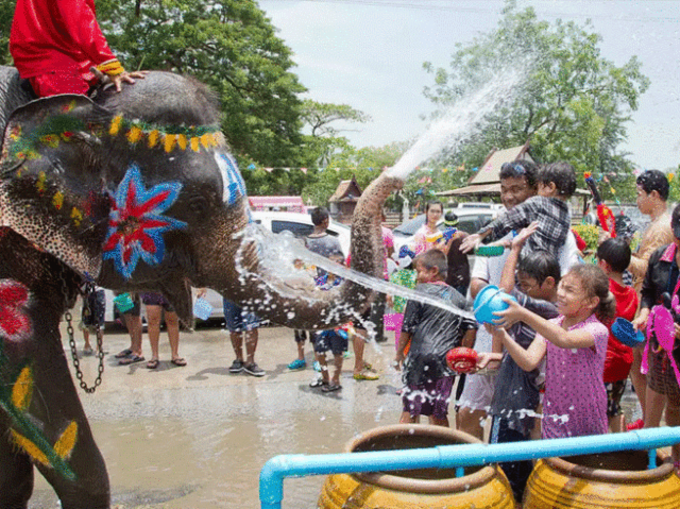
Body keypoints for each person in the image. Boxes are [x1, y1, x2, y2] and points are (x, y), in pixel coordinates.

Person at [476, 224, 560, 503]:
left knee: (501, 470)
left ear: (548, 283)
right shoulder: (545, 313)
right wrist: (499, 355)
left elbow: (503, 293)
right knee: (522, 469)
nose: (521, 291)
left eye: (527, 286)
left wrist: (515, 248)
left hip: (513, 404)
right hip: (523, 401)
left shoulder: (546, 310)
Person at [492, 264, 615, 439]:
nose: (561, 294)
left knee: (584, 463)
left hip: (587, 419)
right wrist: (502, 335)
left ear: (592, 302)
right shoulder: (552, 325)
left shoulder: (596, 330)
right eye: (562, 286)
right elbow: (528, 362)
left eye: (570, 290)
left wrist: (522, 314)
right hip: (555, 418)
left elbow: (564, 339)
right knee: (552, 464)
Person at [395, 250, 476, 427]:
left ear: (434, 271)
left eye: (419, 271)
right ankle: (445, 451)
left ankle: (404, 452)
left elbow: (407, 327)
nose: (416, 277)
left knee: (410, 411)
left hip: (419, 359)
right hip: (445, 363)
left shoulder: (419, 291)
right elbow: (471, 327)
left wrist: (399, 353)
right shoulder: (460, 298)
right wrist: (462, 355)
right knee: (438, 412)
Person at [9, 0, 146, 97]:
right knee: (71, 128)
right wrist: (111, 66)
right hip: (51, 58)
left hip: (65, 51)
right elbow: (79, 19)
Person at [631, 203, 680, 467]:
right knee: (655, 409)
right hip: (661, 347)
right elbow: (648, 292)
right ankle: (648, 468)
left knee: (677, 409)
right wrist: (643, 313)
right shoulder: (661, 258)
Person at [625, 170, 674, 430]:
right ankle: (649, 421)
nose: (637, 200)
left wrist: (620, 254)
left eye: (640, 195)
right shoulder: (660, 224)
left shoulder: (661, 227)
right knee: (640, 364)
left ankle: (651, 425)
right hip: (646, 305)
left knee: (646, 366)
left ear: (654, 195)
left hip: (654, 310)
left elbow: (647, 269)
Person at [461, 162, 577, 259]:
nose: (508, 197)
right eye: (504, 190)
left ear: (535, 189)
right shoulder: (564, 215)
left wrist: (481, 234)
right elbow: (481, 259)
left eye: (516, 190)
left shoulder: (567, 239)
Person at [596, 238, 638, 432]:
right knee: (615, 408)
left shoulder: (602, 293)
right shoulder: (632, 294)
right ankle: (621, 450)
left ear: (604, 265)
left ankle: (601, 455)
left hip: (603, 363)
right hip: (623, 361)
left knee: (597, 411)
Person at [309, 255, 348, 392]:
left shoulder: (344, 282)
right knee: (319, 351)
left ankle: (336, 378)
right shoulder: (320, 281)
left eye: (337, 265)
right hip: (322, 323)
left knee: (338, 352)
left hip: (338, 323)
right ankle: (325, 377)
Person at [142, 292, 185, 369]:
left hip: (171, 288)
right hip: (152, 288)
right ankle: (154, 356)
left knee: (173, 321)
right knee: (152, 321)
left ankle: (175, 355)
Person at [224, 299, 265, 377]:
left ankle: (250, 362)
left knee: (252, 325)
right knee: (233, 326)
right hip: (229, 293)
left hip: (250, 292)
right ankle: (239, 359)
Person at [441, 211, 470, 296]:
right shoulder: (462, 237)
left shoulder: (441, 238)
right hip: (461, 277)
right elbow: (472, 250)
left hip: (447, 278)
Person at [114, 292, 145, 365]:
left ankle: (138, 351)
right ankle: (133, 346)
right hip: (121, 286)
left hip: (132, 285)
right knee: (126, 314)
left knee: (135, 316)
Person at [80, 285, 106, 356]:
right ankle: (87, 344)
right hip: (86, 291)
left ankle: (98, 347)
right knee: (85, 321)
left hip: (98, 291)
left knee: (99, 322)